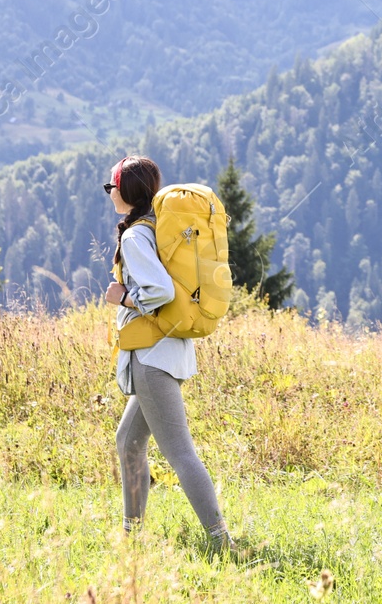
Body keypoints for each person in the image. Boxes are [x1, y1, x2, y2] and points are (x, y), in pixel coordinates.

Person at [104, 154, 231, 548]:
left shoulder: (134, 236)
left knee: (180, 453)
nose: (109, 194)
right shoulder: (158, 227)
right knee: (128, 440)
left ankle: (220, 540)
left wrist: (123, 297)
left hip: (152, 356)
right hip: (166, 349)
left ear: (124, 191)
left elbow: (160, 291)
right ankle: (132, 535)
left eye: (111, 187)